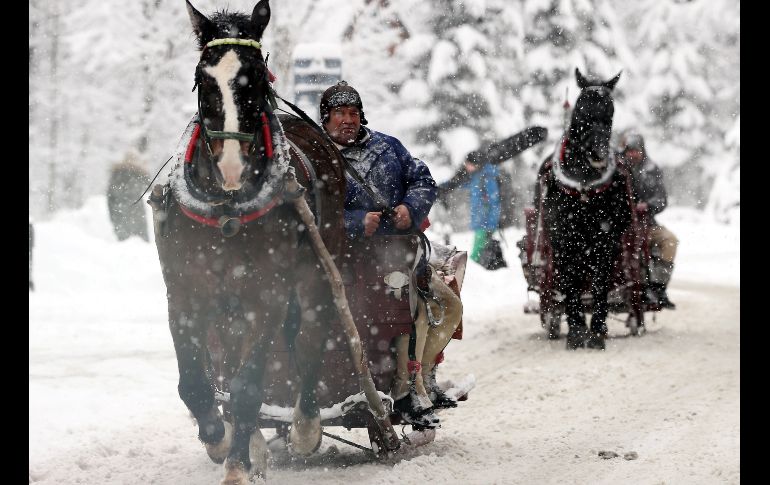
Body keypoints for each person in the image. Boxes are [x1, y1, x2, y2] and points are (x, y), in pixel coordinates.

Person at [320, 80, 463, 428]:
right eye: (339, 113)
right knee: (403, 318)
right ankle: (404, 389)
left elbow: (423, 180)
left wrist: (409, 209)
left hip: (400, 254)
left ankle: (423, 379)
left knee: (447, 307)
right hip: (344, 263)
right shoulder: (316, 157)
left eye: (353, 113)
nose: (347, 120)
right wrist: (354, 222)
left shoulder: (388, 147)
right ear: (325, 119)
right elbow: (306, 208)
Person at [617, 129, 678, 309]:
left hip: (647, 225)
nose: (633, 154)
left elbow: (661, 199)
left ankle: (658, 287)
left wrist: (648, 206)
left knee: (670, 241)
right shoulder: (616, 170)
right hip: (620, 228)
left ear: (642, 151)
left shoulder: (652, 170)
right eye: (630, 150)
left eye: (636, 150)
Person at [461, 157, 506, 269]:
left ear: (475, 164)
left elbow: (494, 199)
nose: (467, 167)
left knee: (479, 246)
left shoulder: (487, 176)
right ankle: (483, 266)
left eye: (468, 164)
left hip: (485, 220)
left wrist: (491, 219)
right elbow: (462, 185)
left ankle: (473, 268)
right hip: (481, 218)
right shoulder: (477, 176)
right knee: (483, 244)